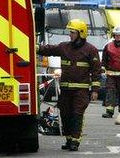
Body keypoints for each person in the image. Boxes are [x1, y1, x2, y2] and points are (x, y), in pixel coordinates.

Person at [37, 19, 102, 151]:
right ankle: (68, 139)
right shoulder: (64, 47)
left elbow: (96, 71)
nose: (70, 35)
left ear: (81, 33)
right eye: (70, 32)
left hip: (81, 90)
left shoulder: (91, 50)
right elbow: (50, 49)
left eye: (72, 32)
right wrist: (36, 47)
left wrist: (95, 90)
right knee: (65, 114)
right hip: (66, 89)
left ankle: (75, 141)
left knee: (77, 114)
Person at [101, 26, 120, 118]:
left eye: (119, 35)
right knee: (110, 92)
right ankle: (109, 111)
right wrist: (102, 67)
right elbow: (104, 59)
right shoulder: (108, 46)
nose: (117, 37)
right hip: (110, 74)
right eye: (116, 35)